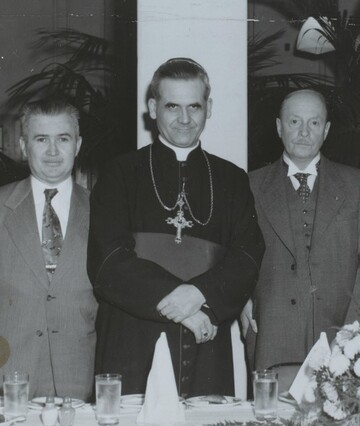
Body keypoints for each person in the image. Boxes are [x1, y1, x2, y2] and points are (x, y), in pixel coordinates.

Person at [87, 58, 264, 396]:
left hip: (205, 339)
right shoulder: (120, 173)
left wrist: (199, 295)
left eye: (194, 106)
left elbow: (248, 255)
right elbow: (108, 259)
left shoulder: (231, 179)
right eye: (172, 107)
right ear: (153, 108)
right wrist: (183, 307)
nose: (185, 119)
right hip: (134, 336)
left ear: (208, 108)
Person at [247, 89, 360, 371]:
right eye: (294, 122)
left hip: (339, 334)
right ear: (278, 127)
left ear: (326, 130)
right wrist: (241, 302)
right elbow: (237, 255)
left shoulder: (357, 185)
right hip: (271, 334)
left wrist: (353, 333)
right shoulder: (250, 185)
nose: (304, 132)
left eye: (314, 123)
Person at [0, 98, 96, 399]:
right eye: (41, 139)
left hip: (75, 372)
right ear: (24, 146)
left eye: (63, 139)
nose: (53, 151)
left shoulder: (103, 210)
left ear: (77, 145)